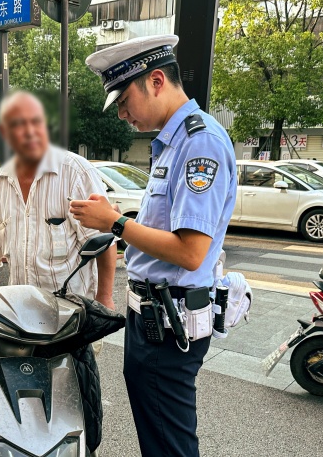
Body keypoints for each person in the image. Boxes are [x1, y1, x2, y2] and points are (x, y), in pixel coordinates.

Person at [70, 35, 237, 456]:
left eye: (125, 101)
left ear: (157, 80)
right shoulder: (171, 142)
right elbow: (167, 228)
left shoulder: (200, 143)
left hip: (170, 321)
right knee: (158, 436)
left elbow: (190, 251)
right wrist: (121, 216)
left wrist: (116, 223)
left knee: (169, 444)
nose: (123, 115)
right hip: (153, 318)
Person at [0, 91, 116, 308]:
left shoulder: (75, 173)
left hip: (73, 313)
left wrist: (104, 298)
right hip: (20, 313)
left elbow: (105, 241)